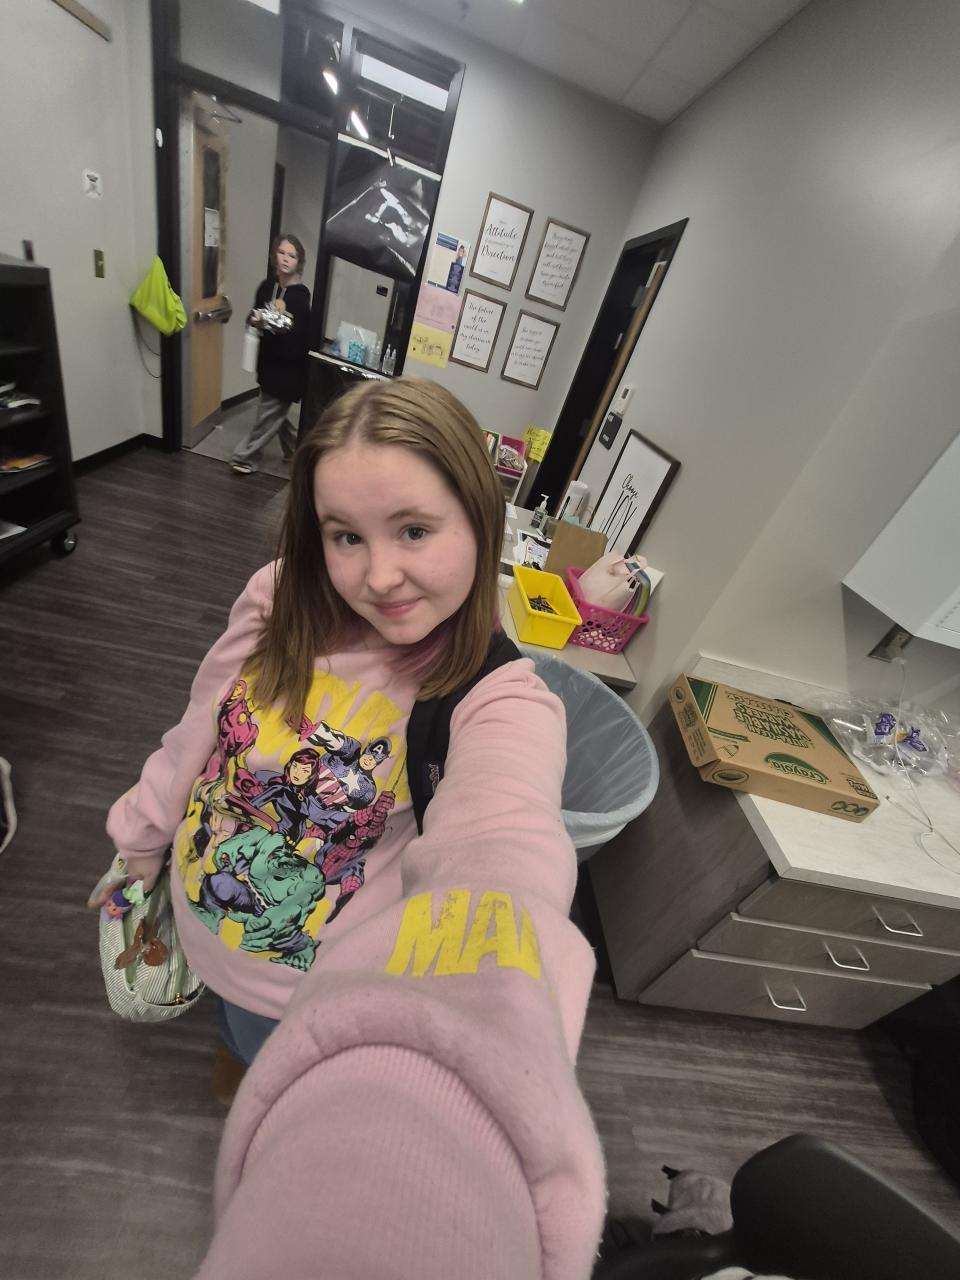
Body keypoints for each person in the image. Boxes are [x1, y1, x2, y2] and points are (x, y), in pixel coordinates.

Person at [100, 378, 578, 1088]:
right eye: (347, 536)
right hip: (194, 914)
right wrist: (140, 839)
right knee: (230, 1036)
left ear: (480, 521)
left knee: (264, 1067)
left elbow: (504, 845)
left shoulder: (496, 698)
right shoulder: (280, 596)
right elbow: (197, 730)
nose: (380, 577)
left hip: (302, 992)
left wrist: (501, 1018)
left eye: (414, 530)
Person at [230, 233, 310, 475]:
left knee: (268, 413)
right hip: (267, 363)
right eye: (282, 253)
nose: (285, 259)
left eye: (292, 255)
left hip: (288, 368)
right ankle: (297, 453)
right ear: (274, 256)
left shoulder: (301, 295)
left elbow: (299, 333)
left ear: (299, 262)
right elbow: (252, 315)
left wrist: (274, 323)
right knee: (275, 413)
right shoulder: (266, 288)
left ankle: (245, 457)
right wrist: (255, 320)